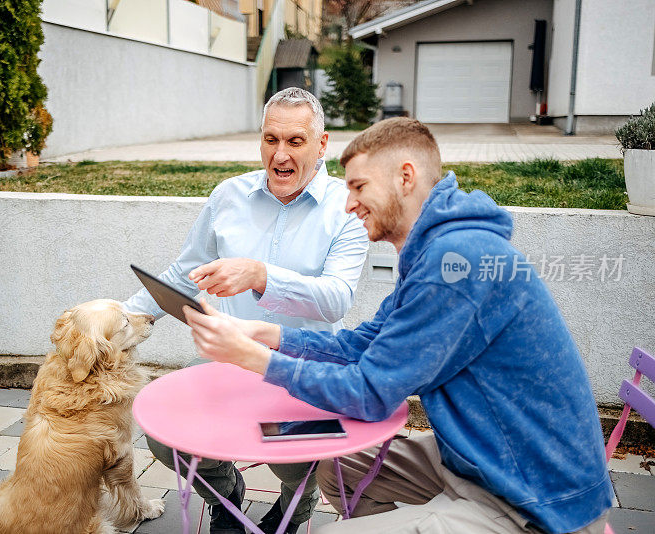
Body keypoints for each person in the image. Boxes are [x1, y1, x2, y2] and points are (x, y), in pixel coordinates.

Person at [182, 118, 613, 534]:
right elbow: (367, 342)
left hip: (538, 501)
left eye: (359, 187)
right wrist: (271, 336)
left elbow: (370, 394)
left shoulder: (457, 263)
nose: (349, 204)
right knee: (339, 467)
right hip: (481, 458)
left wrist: (254, 359)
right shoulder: (435, 251)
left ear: (405, 178)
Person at [122, 87, 369, 534]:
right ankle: (225, 494)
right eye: (270, 139)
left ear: (322, 144)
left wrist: (260, 275)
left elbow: (337, 297)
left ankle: (298, 505)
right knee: (165, 437)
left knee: (294, 465)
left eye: (295, 141)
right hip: (229, 362)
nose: (280, 155)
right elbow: (186, 270)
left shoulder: (347, 207)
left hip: (305, 367)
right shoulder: (228, 195)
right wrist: (125, 316)